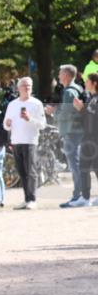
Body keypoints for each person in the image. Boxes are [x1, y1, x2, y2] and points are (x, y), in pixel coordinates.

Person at [46, 65, 87, 208]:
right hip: (77, 131)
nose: (58, 75)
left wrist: (53, 112)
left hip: (72, 132)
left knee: (74, 165)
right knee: (77, 165)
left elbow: (66, 114)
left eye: (60, 73)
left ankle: (78, 196)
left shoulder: (69, 92)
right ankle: (80, 195)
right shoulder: (77, 89)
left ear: (68, 76)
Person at [3, 77, 47, 210]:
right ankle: (26, 198)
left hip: (30, 141)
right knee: (22, 171)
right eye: (24, 86)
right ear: (18, 88)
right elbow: (5, 125)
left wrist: (30, 119)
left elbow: (43, 125)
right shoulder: (12, 104)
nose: (27, 88)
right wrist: (8, 124)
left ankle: (32, 199)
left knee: (31, 171)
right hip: (16, 141)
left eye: (29, 86)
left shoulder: (36, 104)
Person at [74, 73, 98, 205]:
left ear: (94, 83)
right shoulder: (91, 97)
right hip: (87, 138)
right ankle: (85, 197)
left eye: (87, 81)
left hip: (96, 138)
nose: (85, 83)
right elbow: (88, 118)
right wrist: (81, 109)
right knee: (83, 167)